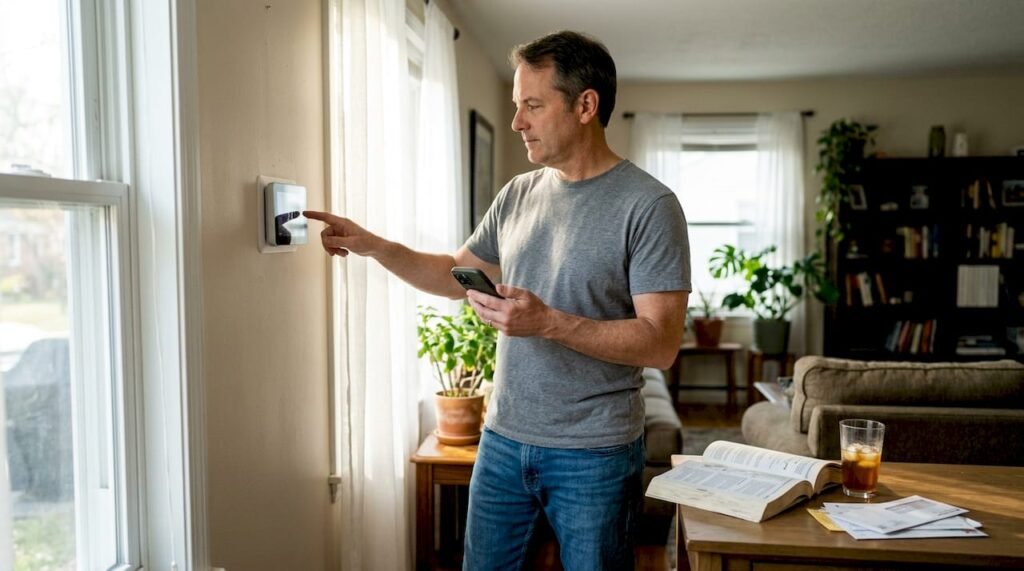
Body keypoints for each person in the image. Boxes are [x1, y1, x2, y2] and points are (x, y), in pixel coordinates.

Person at [305, 30, 690, 571]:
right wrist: (374, 245)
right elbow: (455, 275)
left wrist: (549, 322)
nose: (517, 122)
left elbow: (661, 344)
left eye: (532, 105)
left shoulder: (649, 206)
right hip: (503, 439)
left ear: (586, 105)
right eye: (516, 106)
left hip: (595, 452)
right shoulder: (517, 193)